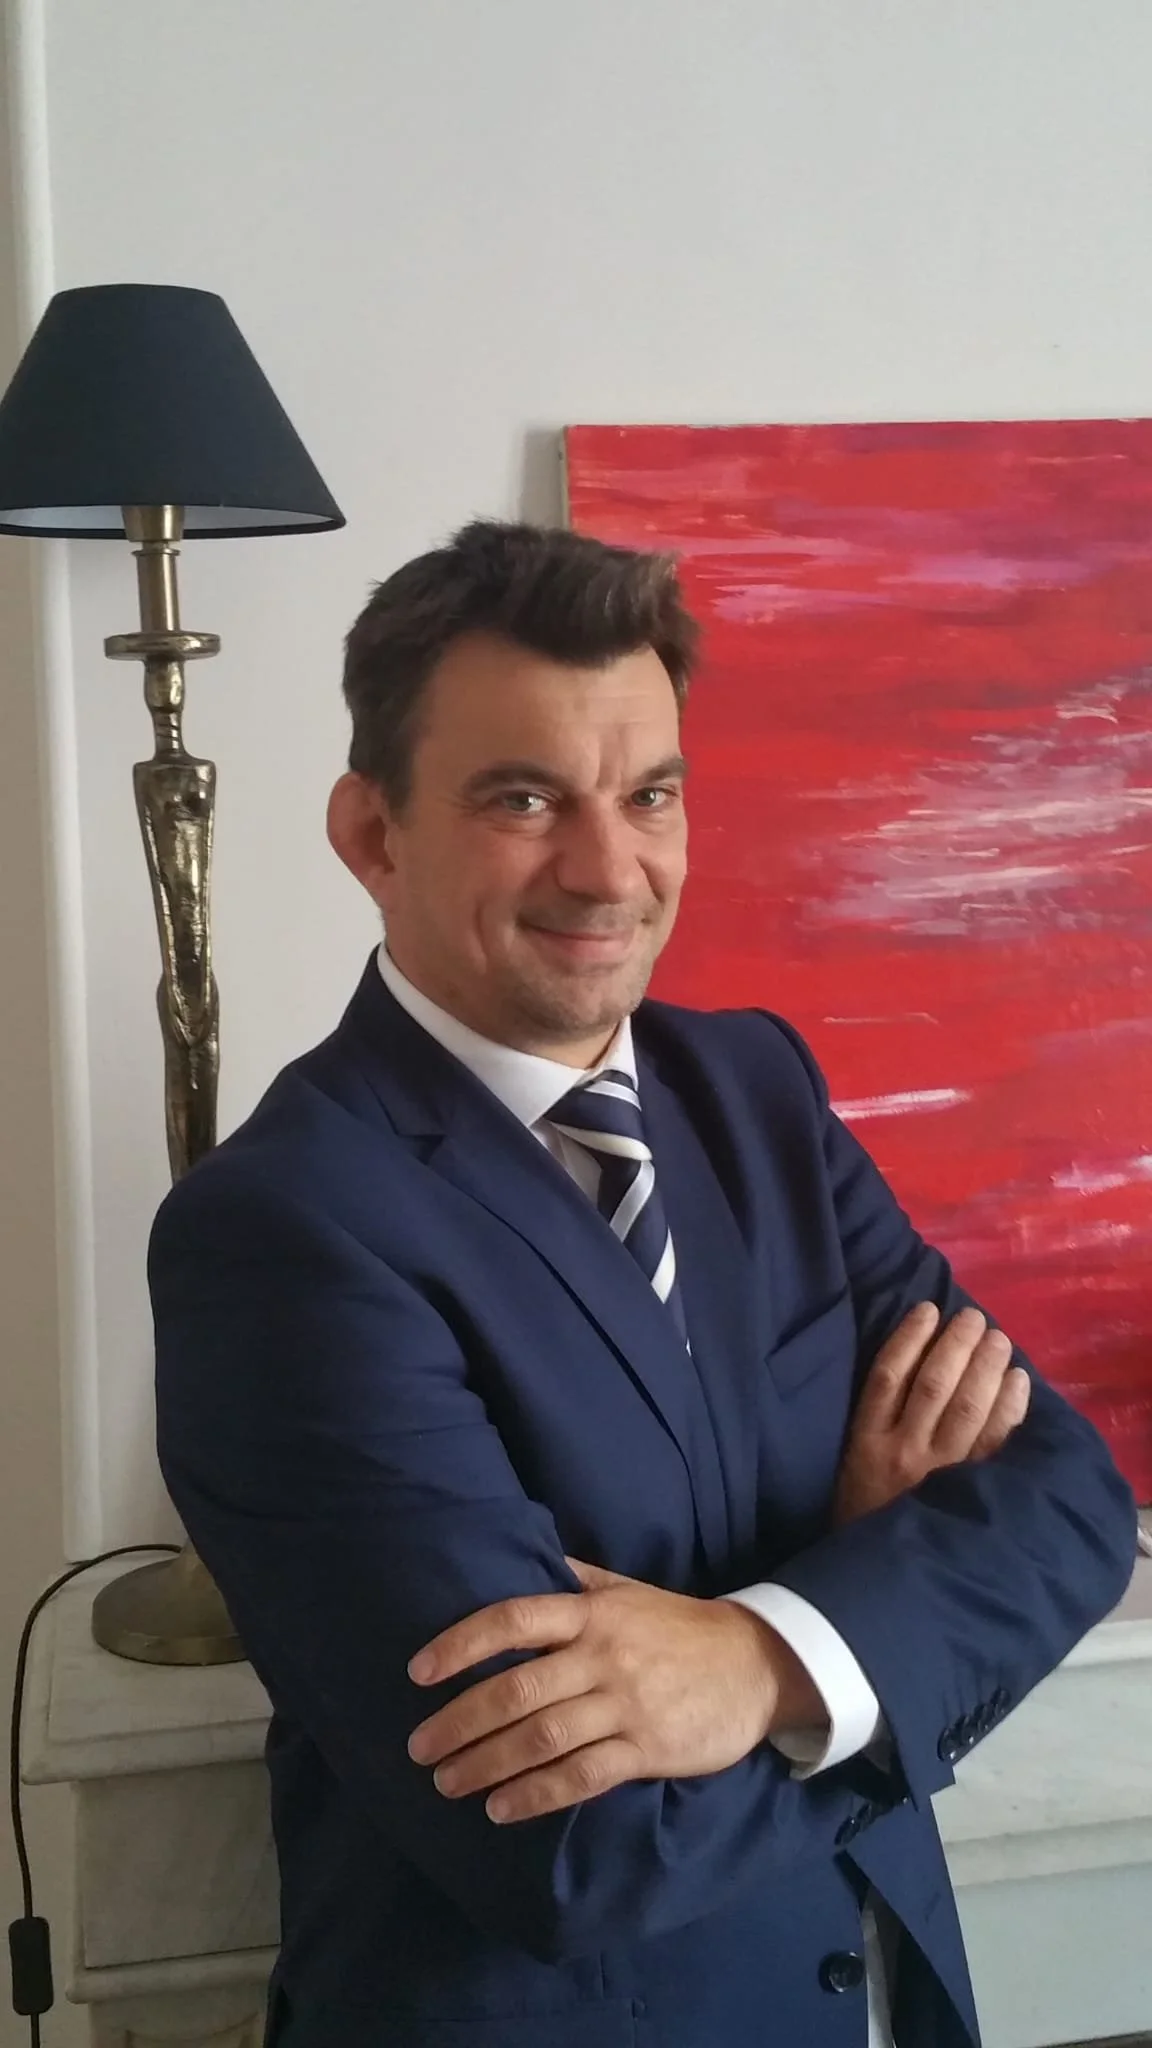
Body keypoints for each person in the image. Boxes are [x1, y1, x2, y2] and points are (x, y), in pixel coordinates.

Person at [150, 520, 1136, 2048]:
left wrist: (758, 1656)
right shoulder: (280, 1230)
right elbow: (575, 1842)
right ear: (373, 833)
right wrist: (870, 1600)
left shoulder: (756, 1089)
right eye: (525, 797)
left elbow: (1069, 1503)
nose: (609, 870)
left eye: (649, 794)